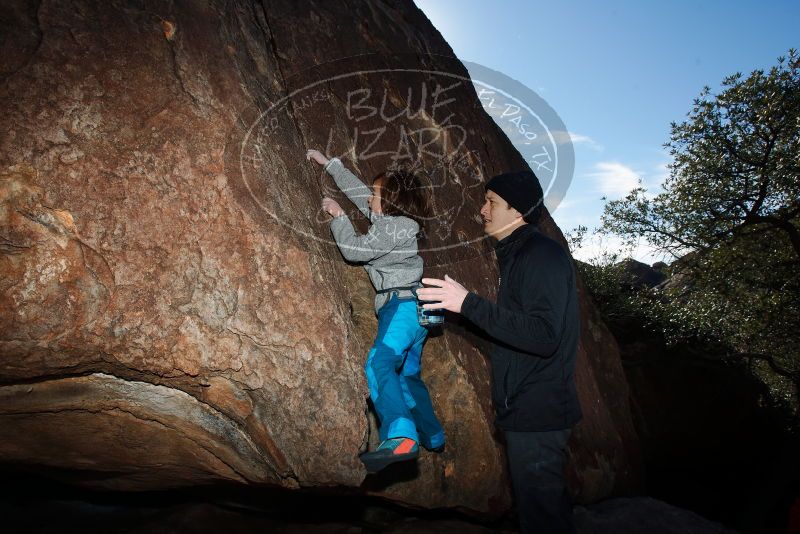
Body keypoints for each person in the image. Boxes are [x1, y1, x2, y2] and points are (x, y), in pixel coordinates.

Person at [417, 171, 581, 533]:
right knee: (539, 511)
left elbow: (544, 336)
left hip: (539, 413)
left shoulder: (541, 255)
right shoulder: (519, 255)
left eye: (490, 201)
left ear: (517, 209)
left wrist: (469, 304)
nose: (482, 210)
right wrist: (457, 311)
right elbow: (515, 331)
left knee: (544, 518)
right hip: (526, 410)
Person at [306, 149, 446, 473]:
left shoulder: (392, 228)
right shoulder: (396, 224)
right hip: (418, 312)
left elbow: (354, 251)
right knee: (408, 376)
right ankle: (433, 434)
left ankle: (401, 436)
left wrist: (339, 217)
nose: (371, 200)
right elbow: (361, 195)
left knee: (379, 363)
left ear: (393, 202)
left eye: (378, 195)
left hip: (402, 308)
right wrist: (331, 166)